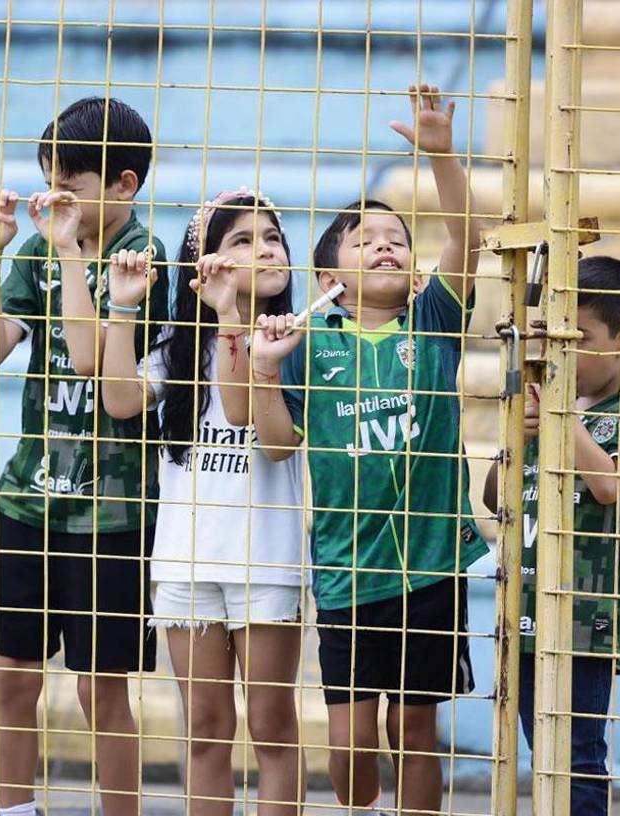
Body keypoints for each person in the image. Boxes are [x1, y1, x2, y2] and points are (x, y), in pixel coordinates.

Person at [221, 84, 487, 814]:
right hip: (345, 570)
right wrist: (268, 371)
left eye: (397, 238)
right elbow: (275, 446)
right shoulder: (312, 347)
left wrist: (441, 156)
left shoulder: (433, 319)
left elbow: (466, 236)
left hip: (431, 564)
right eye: (365, 239)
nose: (386, 245)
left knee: (414, 727)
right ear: (330, 278)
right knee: (350, 744)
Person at [0, 96, 169, 816]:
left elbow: (88, 362)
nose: (57, 197)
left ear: (123, 186)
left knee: (98, 685)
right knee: (13, 675)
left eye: (73, 184)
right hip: (28, 495)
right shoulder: (39, 246)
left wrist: (72, 253)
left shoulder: (143, 254)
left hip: (111, 510)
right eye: (50, 178)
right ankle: (14, 809)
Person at [100, 190, 306, 815]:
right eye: (242, 240)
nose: (264, 249)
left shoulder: (297, 340)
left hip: (265, 561)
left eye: (272, 237)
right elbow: (119, 401)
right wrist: (122, 308)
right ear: (204, 264)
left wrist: (231, 320)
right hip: (186, 563)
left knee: (271, 727)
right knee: (205, 731)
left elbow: (259, 427)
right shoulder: (176, 348)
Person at [483, 256, 620, 815]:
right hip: (526, 606)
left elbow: (610, 484)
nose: (561, 352)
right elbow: (497, 495)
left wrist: (565, 421)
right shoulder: (547, 406)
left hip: (588, 617)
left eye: (578, 338)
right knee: (538, 751)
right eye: (554, 335)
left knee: (578, 755)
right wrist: (518, 432)